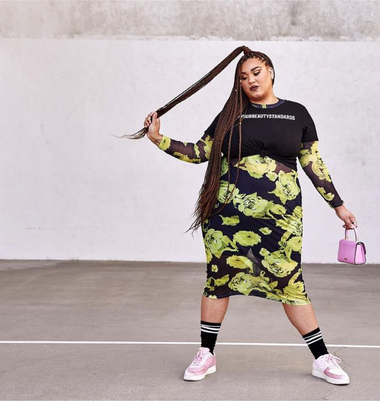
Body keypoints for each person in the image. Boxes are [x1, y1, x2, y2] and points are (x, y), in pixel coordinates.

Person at [143, 48, 357, 385]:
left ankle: (321, 358)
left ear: (270, 71)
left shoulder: (296, 114)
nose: (250, 80)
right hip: (226, 219)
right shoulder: (231, 116)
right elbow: (200, 152)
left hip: (281, 221)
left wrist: (338, 205)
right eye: (243, 77)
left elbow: (314, 163)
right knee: (219, 281)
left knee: (290, 282)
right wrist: (158, 139)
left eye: (256, 72)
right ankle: (206, 354)